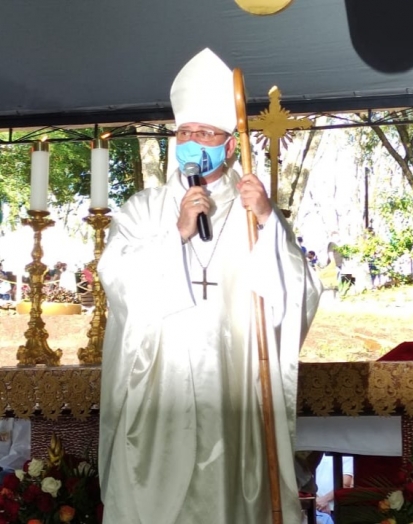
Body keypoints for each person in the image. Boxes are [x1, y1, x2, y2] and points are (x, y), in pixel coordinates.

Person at [97, 48, 322, 524]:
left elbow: (297, 291)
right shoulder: (144, 208)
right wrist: (174, 234)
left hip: (233, 379)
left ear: (228, 143)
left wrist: (266, 221)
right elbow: (115, 278)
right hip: (160, 385)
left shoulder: (253, 210)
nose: (191, 139)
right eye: (184, 131)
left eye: (204, 133)